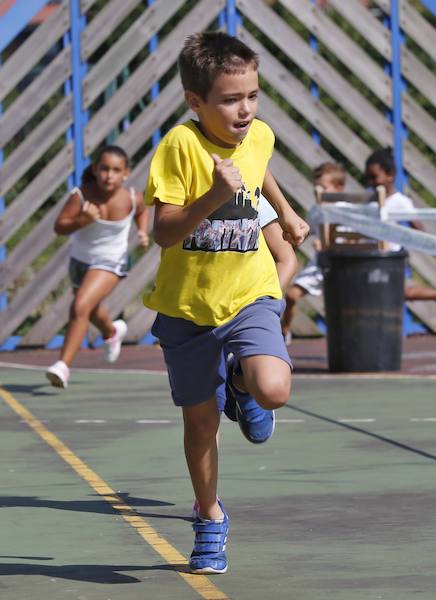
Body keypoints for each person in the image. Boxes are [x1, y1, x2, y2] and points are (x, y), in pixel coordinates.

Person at [144, 31, 308, 574]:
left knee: (274, 388)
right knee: (200, 427)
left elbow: (260, 166)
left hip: (249, 292)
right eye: (231, 99)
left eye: (253, 95)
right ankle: (210, 517)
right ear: (197, 102)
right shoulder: (180, 147)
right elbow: (163, 231)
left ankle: (243, 384)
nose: (246, 109)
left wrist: (283, 211)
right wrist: (213, 196)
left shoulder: (259, 133)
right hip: (188, 309)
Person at [46, 146, 149, 388]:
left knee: (80, 306)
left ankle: (62, 366)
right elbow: (59, 227)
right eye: (104, 169)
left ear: (126, 173)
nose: (109, 175)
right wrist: (83, 220)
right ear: (95, 169)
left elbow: (142, 211)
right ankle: (112, 332)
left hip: (110, 263)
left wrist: (142, 232)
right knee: (88, 310)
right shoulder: (81, 195)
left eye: (116, 170)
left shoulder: (132, 197)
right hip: (79, 263)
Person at [364, 148, 436, 313]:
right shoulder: (369, 201)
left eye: (375, 177)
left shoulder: (400, 201)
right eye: (368, 178)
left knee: (401, 293)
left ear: (390, 175)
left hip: (392, 258)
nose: (372, 182)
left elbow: (416, 225)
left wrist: (424, 242)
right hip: (371, 256)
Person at [281, 162, 345, 344]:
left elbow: (351, 238)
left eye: (323, 188)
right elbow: (305, 234)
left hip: (341, 263)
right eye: (316, 188)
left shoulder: (345, 209)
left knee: (338, 307)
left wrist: (330, 242)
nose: (318, 192)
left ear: (338, 188)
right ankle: (284, 332)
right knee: (292, 294)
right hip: (320, 264)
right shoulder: (316, 211)